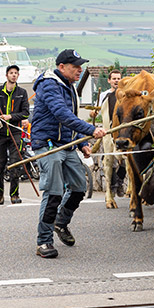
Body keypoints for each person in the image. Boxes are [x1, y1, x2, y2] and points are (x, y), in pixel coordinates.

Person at [31, 49, 107, 259]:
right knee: (53, 192)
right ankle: (44, 241)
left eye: (80, 66)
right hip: (47, 146)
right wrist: (90, 130)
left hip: (66, 144)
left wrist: (81, 143)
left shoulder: (69, 86)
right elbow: (61, 114)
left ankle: (60, 222)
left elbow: (69, 120)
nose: (79, 70)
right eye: (75, 66)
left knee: (78, 188)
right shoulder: (49, 84)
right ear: (62, 67)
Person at [0, 64, 30, 205]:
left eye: (16, 73)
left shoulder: (22, 92)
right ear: (6, 75)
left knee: (15, 164)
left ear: (18, 76)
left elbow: (26, 113)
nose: (14, 75)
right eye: (11, 73)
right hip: (0, 132)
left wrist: (11, 116)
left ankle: (14, 195)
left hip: (15, 132)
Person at [97, 69, 126, 197]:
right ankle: (111, 189)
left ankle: (120, 183)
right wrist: (93, 113)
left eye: (118, 78)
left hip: (123, 131)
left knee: (126, 161)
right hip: (109, 131)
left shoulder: (126, 94)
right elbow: (98, 111)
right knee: (109, 161)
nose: (116, 81)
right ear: (109, 81)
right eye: (114, 78)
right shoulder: (105, 95)